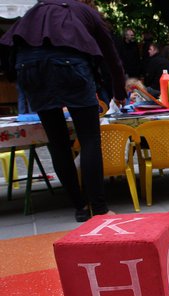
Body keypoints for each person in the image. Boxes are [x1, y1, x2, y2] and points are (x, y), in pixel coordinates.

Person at [0, 0, 126, 222]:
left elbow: (9, 43)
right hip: (71, 66)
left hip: (28, 68)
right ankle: (99, 209)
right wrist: (119, 91)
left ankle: (79, 207)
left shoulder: (34, 11)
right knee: (89, 139)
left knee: (58, 143)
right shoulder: (85, 11)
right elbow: (111, 56)